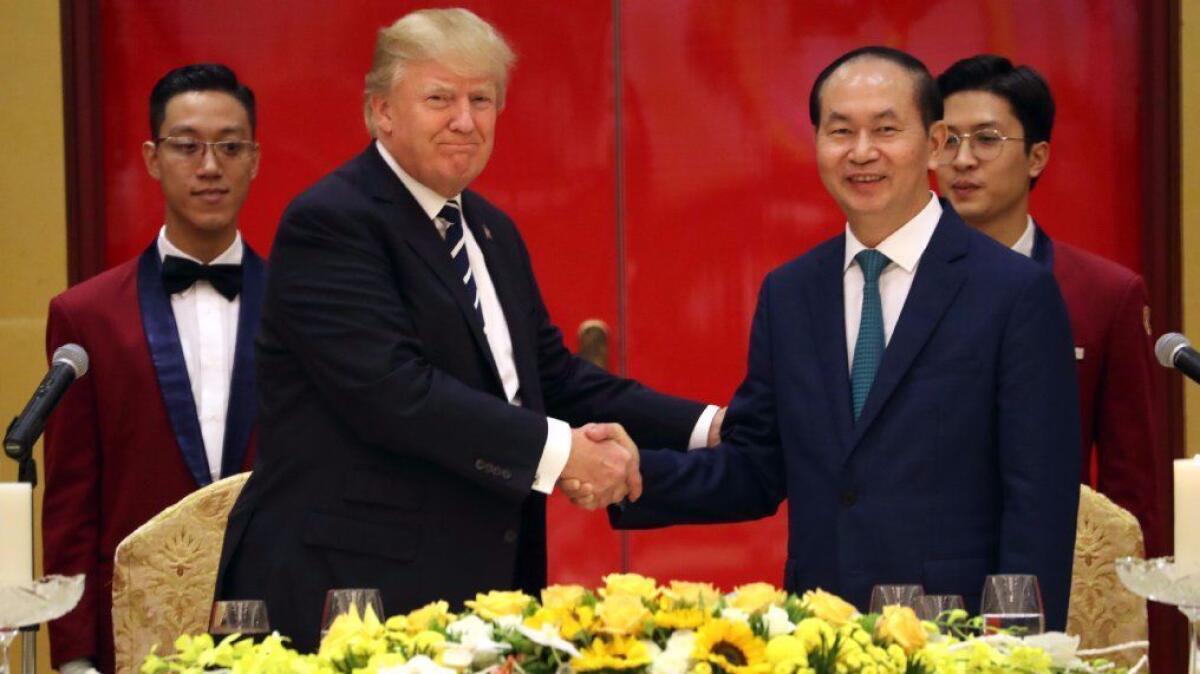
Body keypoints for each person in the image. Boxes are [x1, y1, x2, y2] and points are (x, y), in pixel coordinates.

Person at [215, 8, 720, 653]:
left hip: (479, 587)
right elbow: (398, 395)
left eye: (482, 99)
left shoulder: (490, 230)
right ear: (381, 112)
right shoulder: (333, 222)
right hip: (349, 597)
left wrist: (709, 427)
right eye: (438, 98)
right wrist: (566, 455)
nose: (465, 119)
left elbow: (552, 377)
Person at [608, 46, 1081, 630]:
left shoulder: (1014, 293)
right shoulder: (791, 293)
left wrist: (1015, 653)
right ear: (817, 143)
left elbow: (1039, 505)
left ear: (933, 144)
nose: (861, 152)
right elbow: (758, 466)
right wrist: (632, 475)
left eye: (886, 129)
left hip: (954, 641)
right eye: (840, 132)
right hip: (821, 631)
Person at [43, 63, 266, 674]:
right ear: (151, 157)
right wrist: (73, 655)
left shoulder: (305, 311)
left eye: (230, 145)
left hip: (278, 632)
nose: (210, 165)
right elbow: (70, 501)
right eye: (187, 145)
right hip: (135, 630)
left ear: (255, 158)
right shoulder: (85, 316)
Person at [933, 53, 1162, 554]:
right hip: (915, 589)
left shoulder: (1103, 293)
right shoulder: (893, 283)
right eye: (947, 139)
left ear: (1037, 157)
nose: (963, 159)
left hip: (1050, 581)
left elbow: (1133, 490)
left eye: (987, 140)